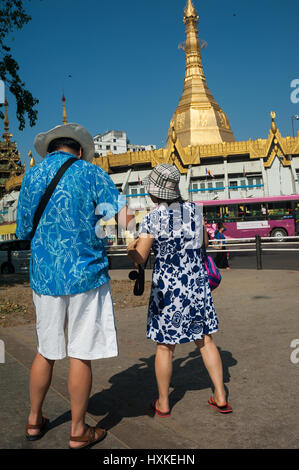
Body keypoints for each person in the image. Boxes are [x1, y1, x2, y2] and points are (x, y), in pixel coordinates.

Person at [16, 123, 133, 449]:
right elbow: (124, 218)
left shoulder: (31, 177)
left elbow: (24, 230)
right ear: (79, 150)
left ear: (51, 149)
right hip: (86, 276)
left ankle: (34, 420)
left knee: (46, 350)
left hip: (46, 277)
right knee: (80, 353)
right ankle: (78, 430)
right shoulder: (92, 174)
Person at [127, 164, 232, 416]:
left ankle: (163, 403)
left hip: (169, 290)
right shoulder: (195, 212)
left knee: (165, 346)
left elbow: (140, 257)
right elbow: (204, 245)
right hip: (196, 286)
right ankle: (220, 395)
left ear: (155, 193)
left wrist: (132, 247)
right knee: (205, 340)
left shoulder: (153, 218)